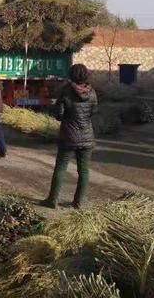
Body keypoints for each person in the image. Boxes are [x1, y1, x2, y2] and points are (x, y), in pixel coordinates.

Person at [41, 64, 98, 210]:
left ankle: (53, 200)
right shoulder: (92, 92)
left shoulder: (65, 91)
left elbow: (59, 115)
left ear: (71, 75)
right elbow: (94, 111)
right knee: (84, 170)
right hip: (87, 137)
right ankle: (78, 202)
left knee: (61, 167)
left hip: (68, 136)